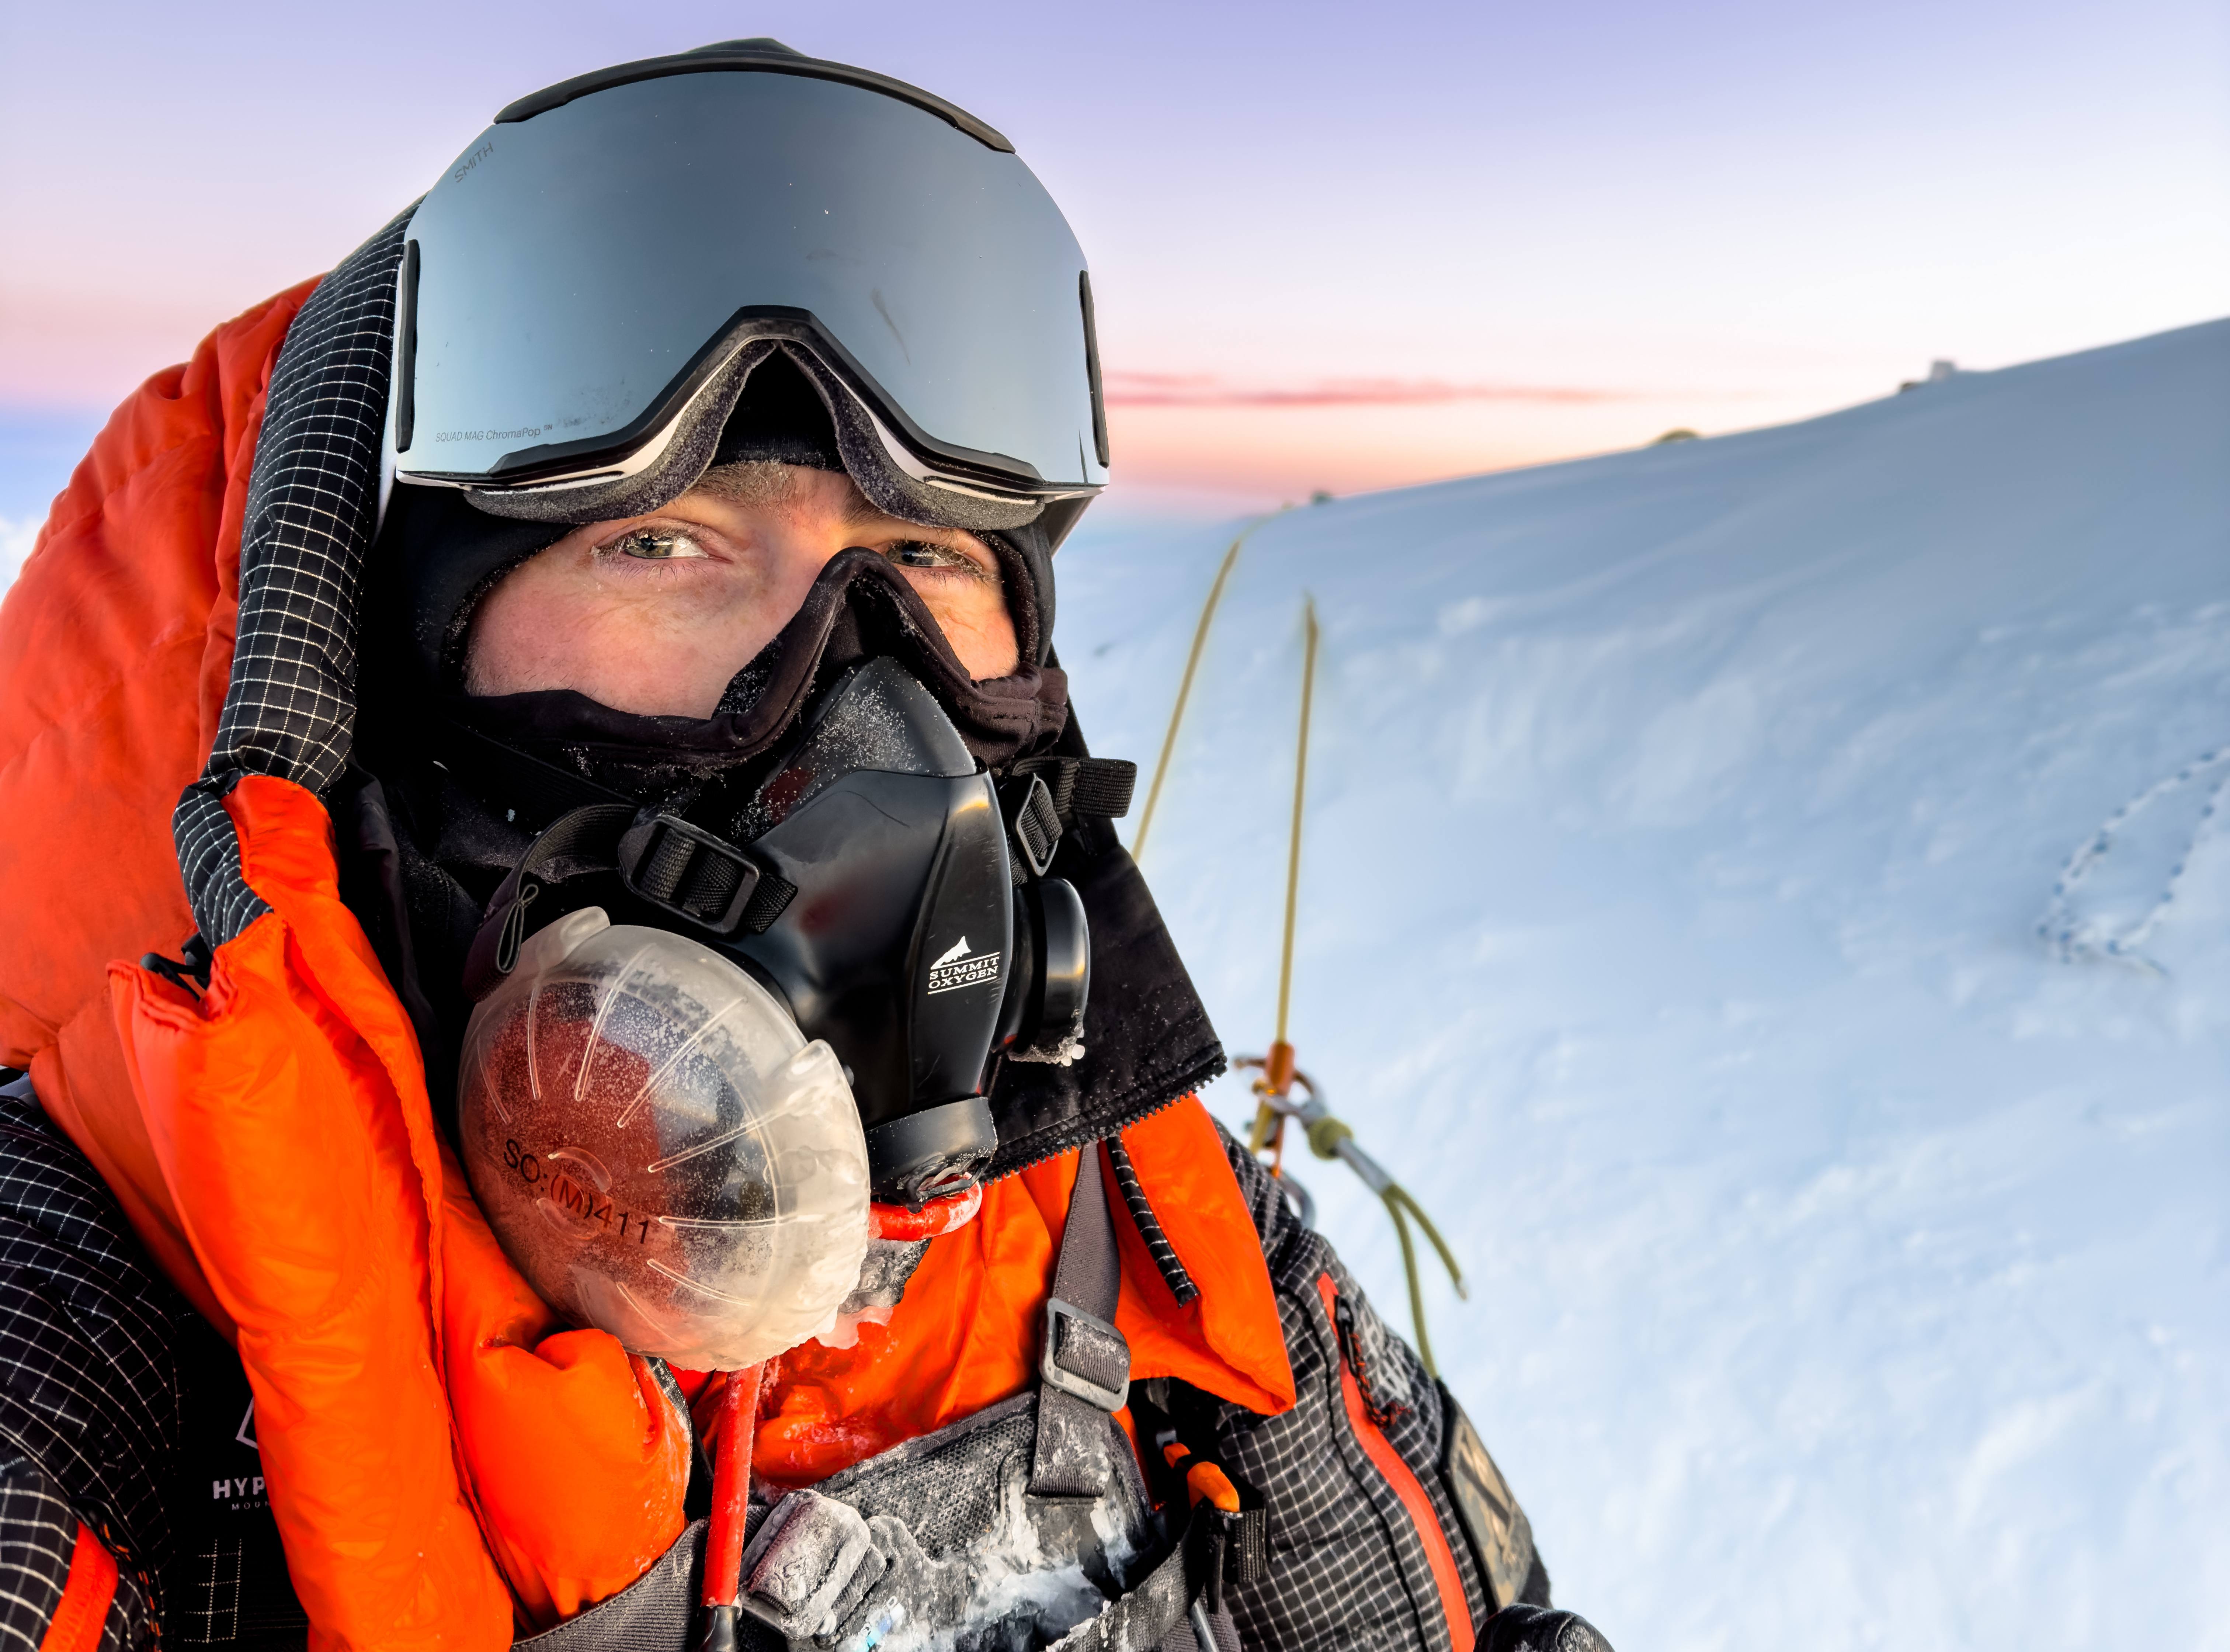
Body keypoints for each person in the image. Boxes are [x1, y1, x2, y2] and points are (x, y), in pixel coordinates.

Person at [0, 40, 1611, 1652]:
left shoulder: (1152, 1216)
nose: (845, 684)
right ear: (389, 677)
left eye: (922, 555)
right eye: (665, 542)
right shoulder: (77, 1353)